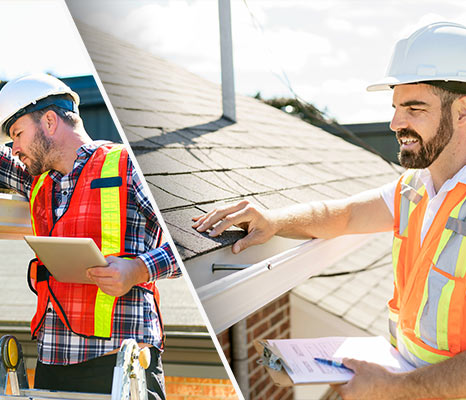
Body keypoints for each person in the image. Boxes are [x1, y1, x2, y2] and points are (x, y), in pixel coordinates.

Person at [192, 22, 466, 400]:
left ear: (463, 111)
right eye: (396, 108)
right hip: (406, 371)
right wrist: (273, 221)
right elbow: (347, 215)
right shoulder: (416, 188)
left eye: (414, 108)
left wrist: (394, 388)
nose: (395, 124)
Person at [0, 73, 179, 399]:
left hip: (120, 359)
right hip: (54, 358)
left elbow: (185, 242)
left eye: (18, 134)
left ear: (49, 121)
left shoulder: (127, 165)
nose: (15, 146)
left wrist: (137, 270)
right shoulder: (40, 182)